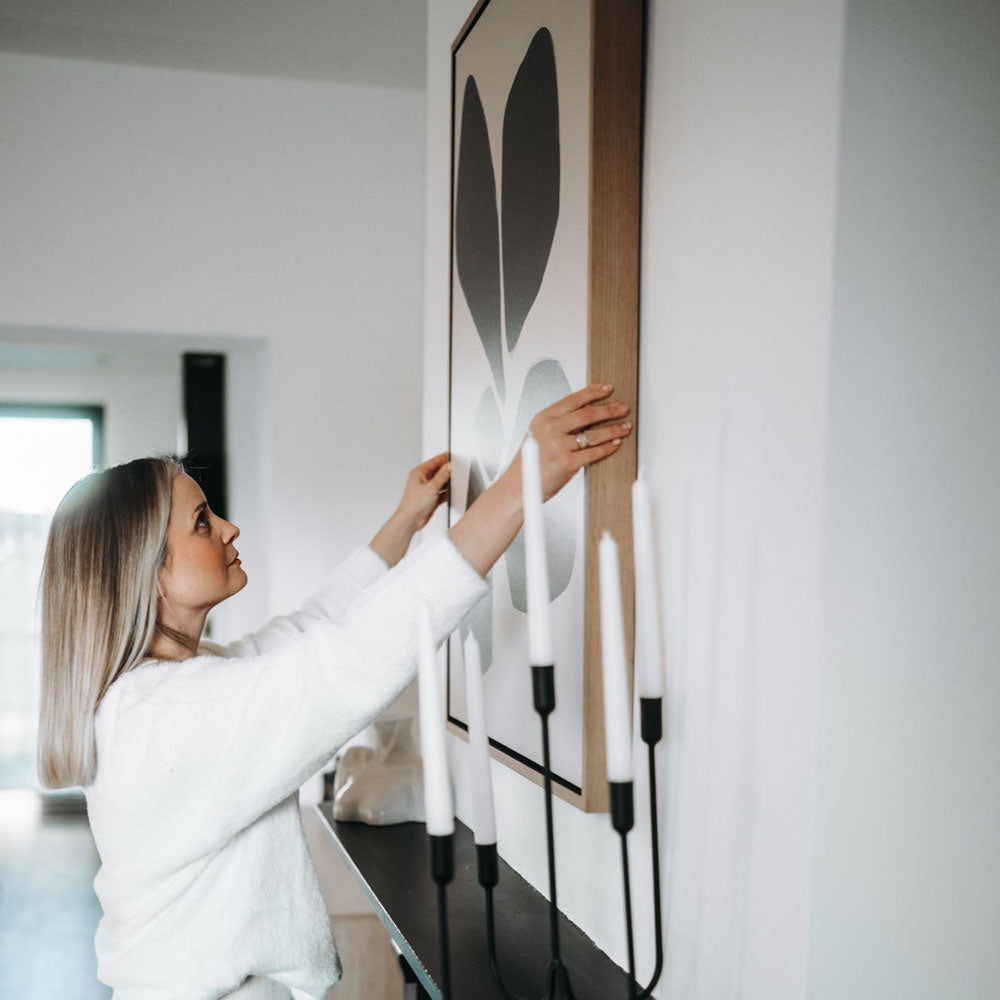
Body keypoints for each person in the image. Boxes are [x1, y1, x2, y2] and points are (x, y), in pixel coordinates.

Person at [36, 383, 633, 1000]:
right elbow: (349, 659)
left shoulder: (167, 693)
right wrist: (518, 489)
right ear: (148, 573)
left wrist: (404, 523)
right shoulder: (171, 717)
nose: (229, 528)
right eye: (201, 522)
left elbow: (309, 631)